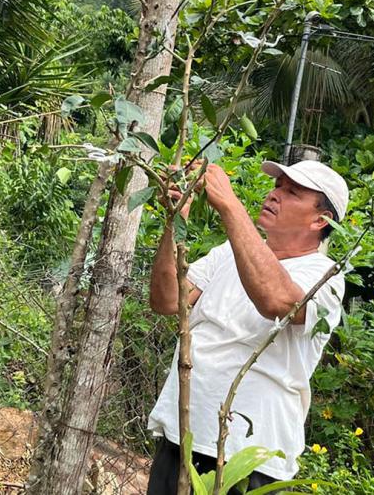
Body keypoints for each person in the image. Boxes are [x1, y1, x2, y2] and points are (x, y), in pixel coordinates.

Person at [146, 159, 349, 494]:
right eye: (277, 186)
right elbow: (167, 301)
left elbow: (277, 301)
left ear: (320, 220)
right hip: (182, 434)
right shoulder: (227, 252)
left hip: (248, 456)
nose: (275, 195)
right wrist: (175, 218)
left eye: (292, 192)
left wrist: (228, 203)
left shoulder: (324, 276)